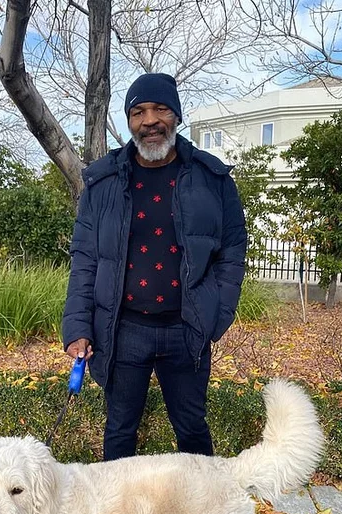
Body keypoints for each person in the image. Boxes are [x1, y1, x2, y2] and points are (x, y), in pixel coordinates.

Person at [62, 73, 247, 461]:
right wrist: (78, 328)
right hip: (123, 330)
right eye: (139, 112)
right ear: (130, 121)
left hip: (187, 329)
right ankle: (120, 503)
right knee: (119, 429)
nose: (150, 120)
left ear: (176, 116)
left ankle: (203, 499)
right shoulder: (102, 183)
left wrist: (218, 314)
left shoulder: (212, 179)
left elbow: (232, 252)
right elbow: (85, 260)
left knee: (192, 428)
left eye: (160, 109)